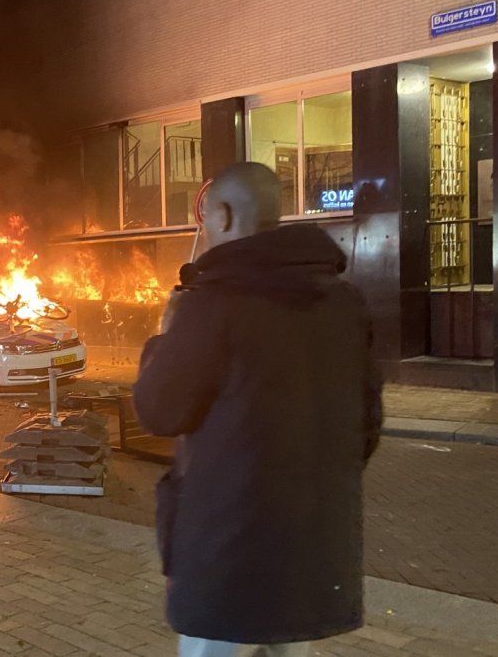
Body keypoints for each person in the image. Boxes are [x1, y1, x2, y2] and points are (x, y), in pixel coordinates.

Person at [133, 162, 382, 657]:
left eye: (205, 219)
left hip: (227, 556)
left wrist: (163, 341)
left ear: (222, 214)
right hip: (313, 552)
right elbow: (366, 430)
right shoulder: (345, 303)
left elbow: (160, 412)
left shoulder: (212, 305)